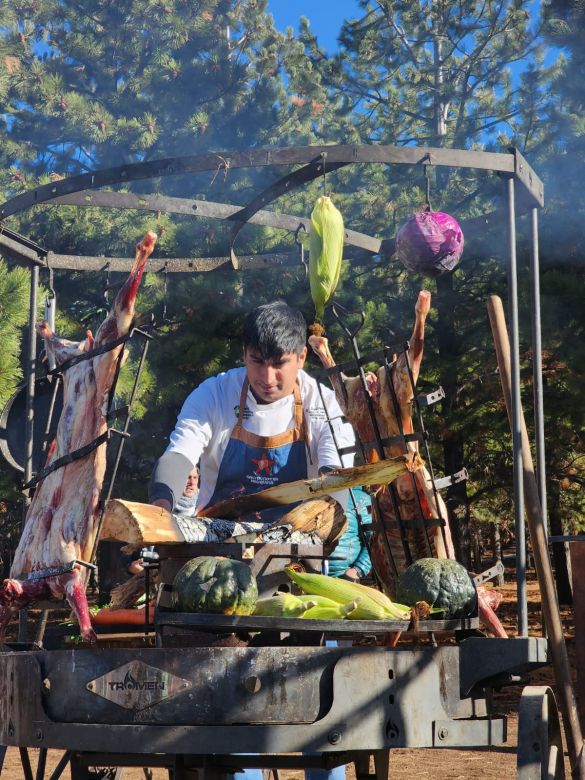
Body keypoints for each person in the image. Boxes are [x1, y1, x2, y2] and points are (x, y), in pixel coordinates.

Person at [149, 300, 352, 780]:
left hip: (299, 563)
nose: (267, 376)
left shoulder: (320, 401)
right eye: (257, 361)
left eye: (279, 363)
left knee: (321, 700)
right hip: (226, 565)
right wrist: (161, 506)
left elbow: (335, 468)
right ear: (245, 356)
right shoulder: (214, 394)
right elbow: (179, 453)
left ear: (301, 357)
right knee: (234, 693)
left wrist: (321, 500)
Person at [328, 487, 372, 582]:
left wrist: (358, 570)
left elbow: (373, 540)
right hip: (306, 570)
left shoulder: (360, 499)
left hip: (342, 576)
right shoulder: (306, 495)